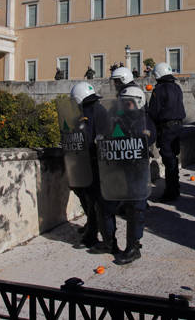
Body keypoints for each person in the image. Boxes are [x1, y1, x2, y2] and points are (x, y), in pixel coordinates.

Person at [97, 86, 156, 264]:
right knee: (106, 206)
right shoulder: (116, 118)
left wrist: (139, 136)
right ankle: (109, 242)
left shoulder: (145, 121)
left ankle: (133, 247)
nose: (125, 105)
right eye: (123, 102)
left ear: (138, 103)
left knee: (136, 209)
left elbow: (151, 137)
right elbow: (106, 135)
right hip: (117, 170)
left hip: (137, 171)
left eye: (128, 103)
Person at [66, 82, 108, 248]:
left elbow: (89, 136)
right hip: (91, 160)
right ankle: (91, 226)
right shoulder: (97, 108)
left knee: (92, 198)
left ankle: (92, 234)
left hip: (93, 160)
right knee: (85, 194)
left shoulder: (91, 111)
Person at [148, 62, 186, 202]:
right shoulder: (177, 87)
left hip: (166, 128)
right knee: (173, 158)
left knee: (168, 159)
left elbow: (154, 111)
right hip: (178, 126)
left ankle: (171, 192)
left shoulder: (159, 89)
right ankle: (175, 188)